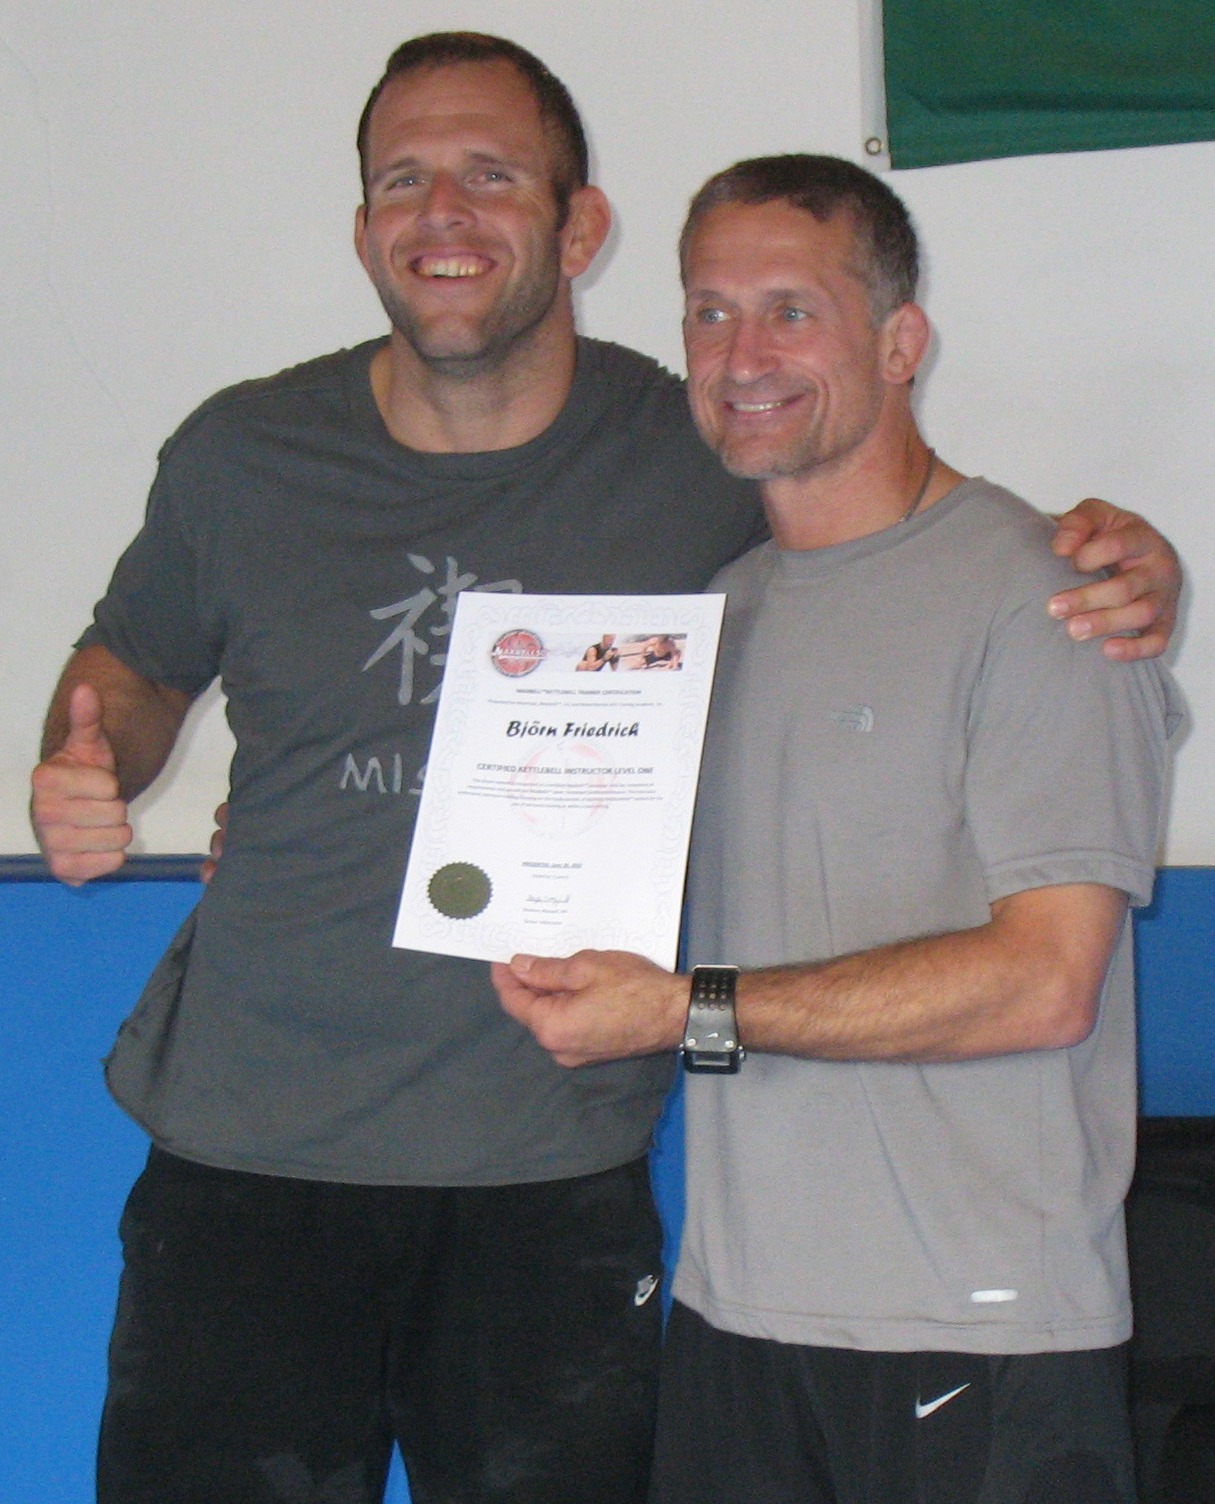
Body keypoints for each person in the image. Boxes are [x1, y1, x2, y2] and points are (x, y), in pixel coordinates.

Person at [28, 30, 1177, 1504]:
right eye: (403, 180)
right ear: (363, 228)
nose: (443, 213)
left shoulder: (701, 449)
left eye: (491, 175)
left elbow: (905, 529)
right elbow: (128, 667)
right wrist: (89, 759)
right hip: (248, 1159)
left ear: (580, 228)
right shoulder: (244, 455)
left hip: (550, 1179)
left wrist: (1120, 557)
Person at [493, 154, 1181, 1504]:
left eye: (791, 310)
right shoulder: (708, 620)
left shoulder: (1053, 599)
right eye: (709, 312)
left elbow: (1046, 983)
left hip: (982, 1331)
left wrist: (682, 1011)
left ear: (900, 341)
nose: (742, 354)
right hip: (736, 1319)